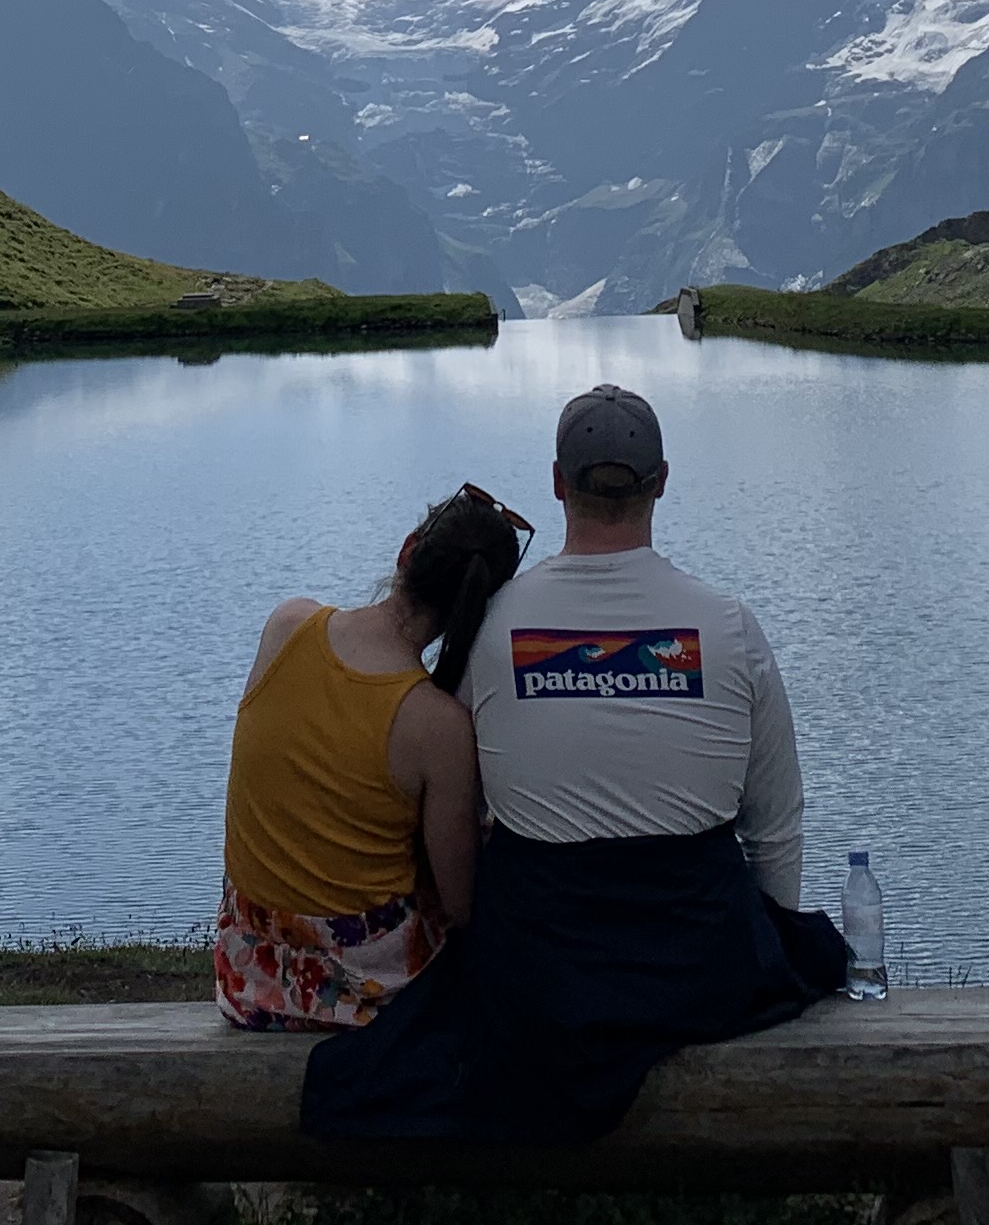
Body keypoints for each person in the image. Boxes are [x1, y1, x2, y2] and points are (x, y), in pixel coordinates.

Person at [304, 382, 845, 1145]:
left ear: (558, 484)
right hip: (698, 969)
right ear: (662, 482)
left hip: (541, 975)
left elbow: (448, 797)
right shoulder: (731, 627)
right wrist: (768, 938)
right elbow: (777, 825)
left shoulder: (495, 626)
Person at [213, 483, 532, 1031]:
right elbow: (461, 907)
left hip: (251, 972)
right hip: (362, 989)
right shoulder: (437, 725)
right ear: (476, 610)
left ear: (408, 549)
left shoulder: (289, 624)